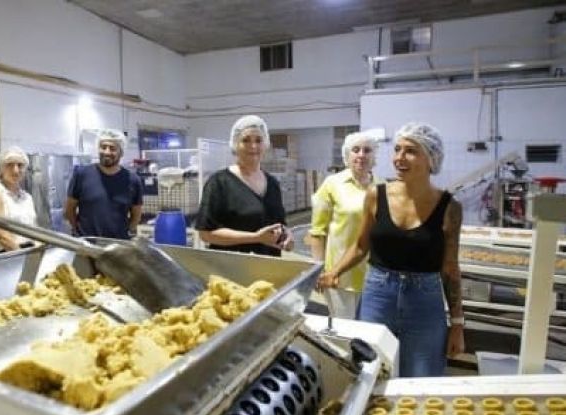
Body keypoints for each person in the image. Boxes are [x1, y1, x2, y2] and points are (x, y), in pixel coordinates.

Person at [318, 122, 465, 378]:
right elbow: (361, 245)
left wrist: (458, 324)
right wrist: (334, 271)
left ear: (431, 159)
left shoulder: (449, 207)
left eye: (410, 151)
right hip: (378, 294)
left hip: (425, 301)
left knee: (422, 377)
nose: (399, 158)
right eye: (397, 150)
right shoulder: (377, 195)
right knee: (371, 374)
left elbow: (450, 267)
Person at [195, 115, 293, 256]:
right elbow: (206, 234)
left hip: (268, 266)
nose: (253, 146)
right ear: (235, 145)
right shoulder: (219, 183)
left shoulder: (272, 183)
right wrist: (256, 238)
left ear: (265, 145)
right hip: (231, 267)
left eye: (258, 140)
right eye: (246, 140)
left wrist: (286, 236)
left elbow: (279, 224)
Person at [309, 131, 382, 318]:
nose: (361, 155)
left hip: (375, 276)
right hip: (340, 275)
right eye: (355, 150)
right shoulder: (332, 184)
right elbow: (317, 231)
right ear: (346, 156)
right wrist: (319, 269)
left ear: (374, 156)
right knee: (344, 332)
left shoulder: (383, 187)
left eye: (367, 150)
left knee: (368, 334)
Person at [64, 129, 143, 240]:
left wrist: (125, 232)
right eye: (103, 147)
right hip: (86, 244)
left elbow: (136, 215)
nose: (107, 152)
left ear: (121, 152)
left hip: (118, 246)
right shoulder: (81, 175)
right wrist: (78, 230)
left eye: (112, 148)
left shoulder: (133, 180)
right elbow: (69, 210)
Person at [0, 146, 37, 252]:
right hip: (7, 254)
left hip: (28, 251)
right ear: (1, 169)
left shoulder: (27, 197)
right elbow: (3, 237)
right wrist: (23, 258)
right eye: (10, 165)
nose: (16, 170)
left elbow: (34, 231)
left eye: (20, 165)